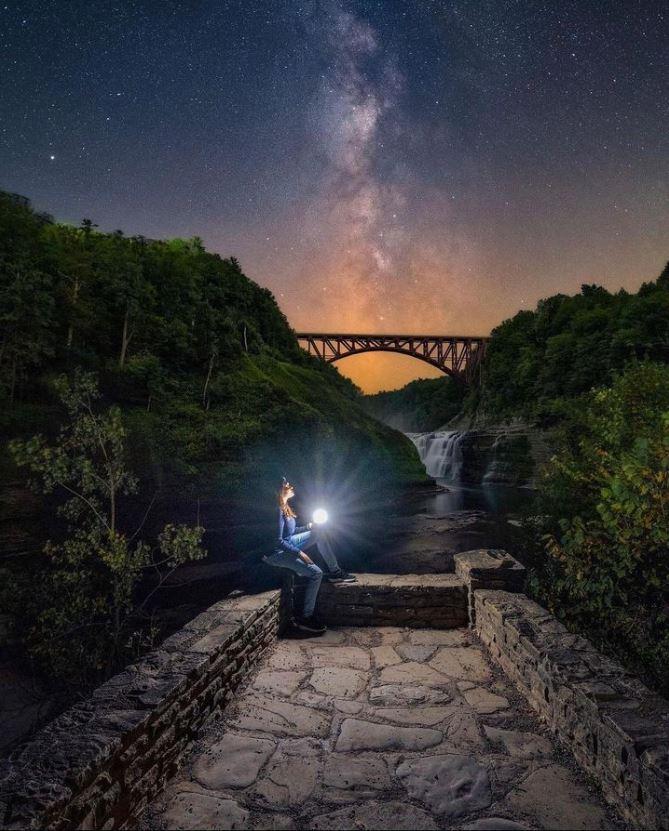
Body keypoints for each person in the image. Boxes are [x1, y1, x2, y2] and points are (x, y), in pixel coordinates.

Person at [263, 477, 357, 635]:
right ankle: (306, 617)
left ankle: (335, 572)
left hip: (287, 543)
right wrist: (300, 553)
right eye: (287, 485)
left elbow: (290, 534)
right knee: (316, 573)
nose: (291, 486)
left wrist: (308, 526)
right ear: (280, 490)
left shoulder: (285, 506)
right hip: (276, 554)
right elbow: (278, 541)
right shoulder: (277, 510)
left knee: (318, 533)